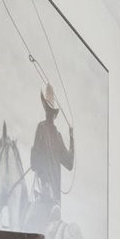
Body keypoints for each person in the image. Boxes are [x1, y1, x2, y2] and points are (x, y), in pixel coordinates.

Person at [29, 83, 74, 225]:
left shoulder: (46, 130)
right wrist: (72, 139)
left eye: (49, 110)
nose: (48, 113)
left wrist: (71, 138)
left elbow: (69, 163)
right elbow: (69, 163)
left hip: (48, 195)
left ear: (51, 113)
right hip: (51, 195)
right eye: (48, 110)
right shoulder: (50, 132)